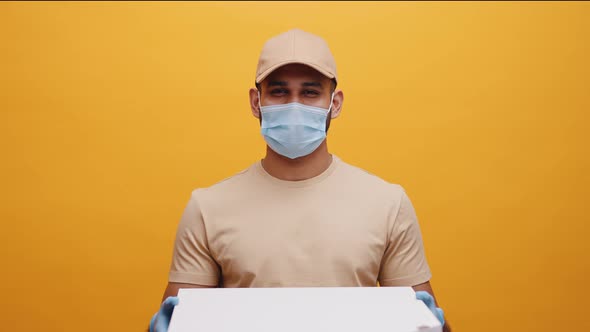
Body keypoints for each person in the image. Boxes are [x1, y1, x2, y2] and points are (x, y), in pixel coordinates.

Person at [148, 28, 451, 332]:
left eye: (310, 92)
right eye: (279, 92)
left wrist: (431, 324)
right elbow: (183, 323)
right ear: (256, 102)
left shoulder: (387, 203)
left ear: (335, 103)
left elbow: (420, 320)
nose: (294, 105)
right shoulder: (207, 208)